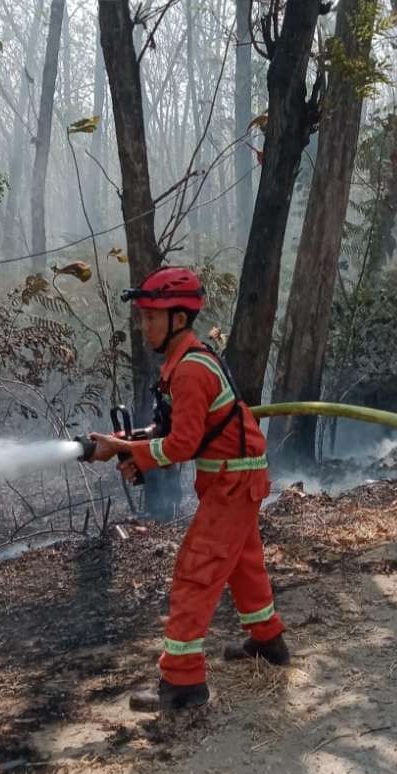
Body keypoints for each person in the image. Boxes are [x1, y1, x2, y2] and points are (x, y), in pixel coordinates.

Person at [87, 266, 290, 712]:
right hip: (235, 478)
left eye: (153, 317)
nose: (145, 326)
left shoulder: (191, 371)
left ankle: (182, 683)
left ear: (179, 318)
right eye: (143, 317)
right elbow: (179, 429)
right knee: (243, 564)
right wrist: (129, 444)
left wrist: (125, 448)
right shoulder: (187, 363)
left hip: (232, 483)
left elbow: (181, 445)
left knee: (195, 573)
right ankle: (268, 641)